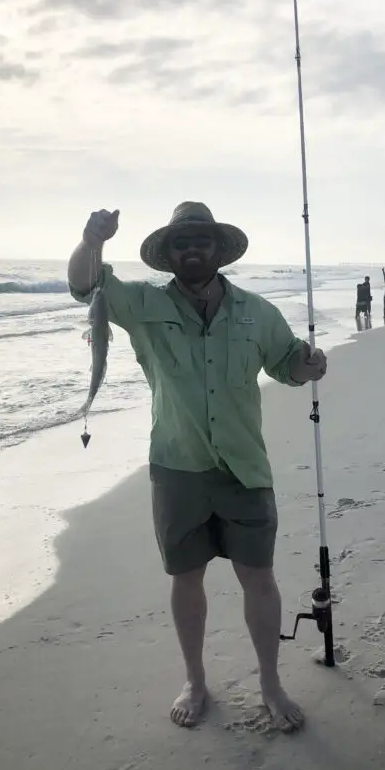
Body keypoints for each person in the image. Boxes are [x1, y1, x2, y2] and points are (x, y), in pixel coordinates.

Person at [67, 203, 328, 733]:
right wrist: (91, 240)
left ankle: (270, 684)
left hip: (244, 467)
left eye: (200, 241)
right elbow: (83, 285)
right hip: (177, 465)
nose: (191, 250)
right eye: (181, 243)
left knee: (259, 577)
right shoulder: (140, 305)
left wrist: (310, 363)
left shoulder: (258, 312)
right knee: (186, 579)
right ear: (168, 254)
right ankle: (195, 679)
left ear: (216, 249)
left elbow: (289, 365)